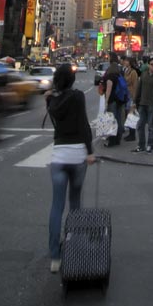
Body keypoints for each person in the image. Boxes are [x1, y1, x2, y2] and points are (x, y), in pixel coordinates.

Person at [45, 63, 96, 273]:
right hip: (77, 156)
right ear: (72, 80)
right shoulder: (78, 97)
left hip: (59, 155)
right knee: (75, 203)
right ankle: (75, 246)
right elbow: (83, 125)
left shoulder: (51, 100)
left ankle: (54, 257)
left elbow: (56, 122)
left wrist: (50, 96)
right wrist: (90, 151)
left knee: (56, 207)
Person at [133, 57, 153, 153]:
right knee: (140, 125)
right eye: (152, 64)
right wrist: (135, 102)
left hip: (152, 104)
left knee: (151, 126)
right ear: (148, 65)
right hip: (142, 103)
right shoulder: (144, 75)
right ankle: (141, 145)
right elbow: (139, 89)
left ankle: (150, 145)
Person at [102, 52, 124, 147]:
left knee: (111, 120)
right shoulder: (119, 71)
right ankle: (118, 139)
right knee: (118, 119)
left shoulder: (110, 73)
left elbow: (109, 87)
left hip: (112, 100)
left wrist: (106, 101)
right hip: (119, 99)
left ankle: (112, 141)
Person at [122, 57, 140, 141]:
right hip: (126, 95)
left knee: (131, 115)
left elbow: (135, 85)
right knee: (127, 115)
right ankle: (130, 133)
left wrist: (134, 98)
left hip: (131, 95)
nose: (124, 62)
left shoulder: (133, 72)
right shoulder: (126, 70)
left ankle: (132, 134)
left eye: (126, 61)